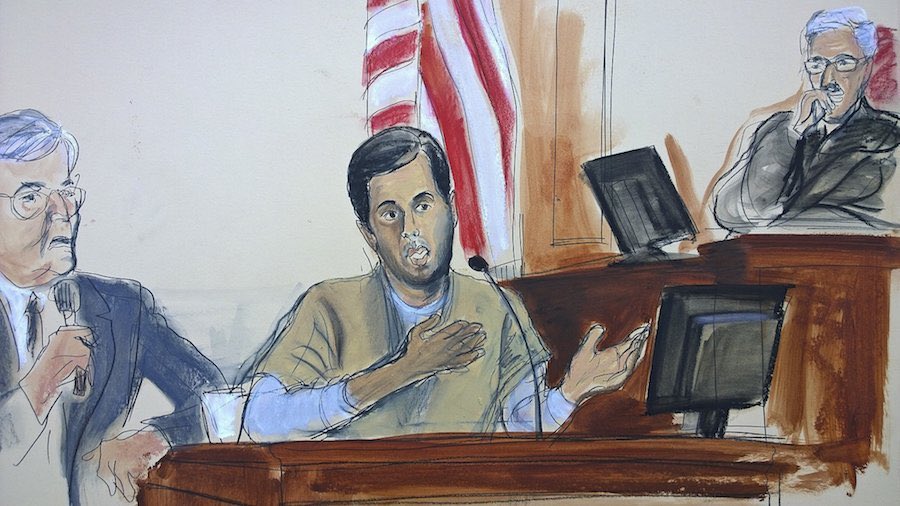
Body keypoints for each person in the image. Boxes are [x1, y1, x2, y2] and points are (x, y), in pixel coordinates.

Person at [243, 126, 649, 440]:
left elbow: (520, 421)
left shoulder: (497, 306)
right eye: (389, 214)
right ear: (369, 233)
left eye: (422, 205)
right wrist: (402, 371)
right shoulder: (328, 304)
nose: (410, 229)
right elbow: (261, 420)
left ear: (451, 209)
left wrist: (571, 391)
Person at [0, 109, 226, 505]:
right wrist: (41, 383)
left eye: (67, 191)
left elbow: (215, 397)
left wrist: (159, 437)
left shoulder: (122, 308)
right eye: (31, 197)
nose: (63, 213)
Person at [711, 7, 900, 233]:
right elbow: (729, 212)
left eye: (843, 63)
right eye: (817, 64)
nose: (827, 80)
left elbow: (884, 216)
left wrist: (773, 222)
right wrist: (792, 136)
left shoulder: (891, 138)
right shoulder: (781, 129)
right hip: (767, 254)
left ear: (866, 69)